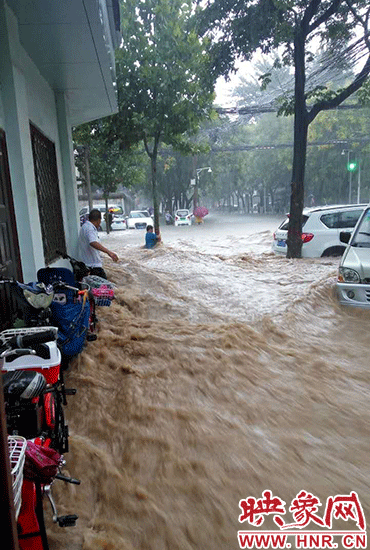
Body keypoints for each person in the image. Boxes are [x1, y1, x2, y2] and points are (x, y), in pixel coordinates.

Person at [78, 209, 118, 279]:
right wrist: (109, 252)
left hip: (88, 265)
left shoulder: (85, 227)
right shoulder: (90, 228)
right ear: (99, 220)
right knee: (106, 288)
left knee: (98, 289)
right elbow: (93, 242)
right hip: (93, 267)